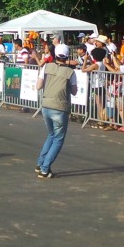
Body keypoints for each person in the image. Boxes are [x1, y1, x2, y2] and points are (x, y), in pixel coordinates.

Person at [34, 47, 77, 179]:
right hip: (60, 106)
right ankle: (45, 169)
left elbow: (38, 86)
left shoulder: (46, 67)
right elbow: (74, 91)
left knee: (51, 135)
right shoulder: (70, 72)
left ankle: (40, 163)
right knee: (58, 139)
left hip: (46, 105)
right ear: (67, 56)